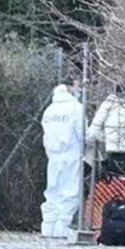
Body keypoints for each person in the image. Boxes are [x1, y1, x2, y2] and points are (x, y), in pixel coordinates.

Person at [40, 81, 85, 238]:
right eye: (77, 86)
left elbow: (45, 135)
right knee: (70, 190)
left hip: (53, 156)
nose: (79, 89)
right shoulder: (76, 108)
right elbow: (82, 134)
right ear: (70, 88)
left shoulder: (49, 110)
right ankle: (62, 226)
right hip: (72, 153)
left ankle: (48, 226)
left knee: (53, 190)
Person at [86, 82, 125, 178]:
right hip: (115, 151)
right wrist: (107, 138)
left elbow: (94, 129)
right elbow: (94, 129)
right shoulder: (112, 104)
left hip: (121, 150)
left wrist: (107, 138)